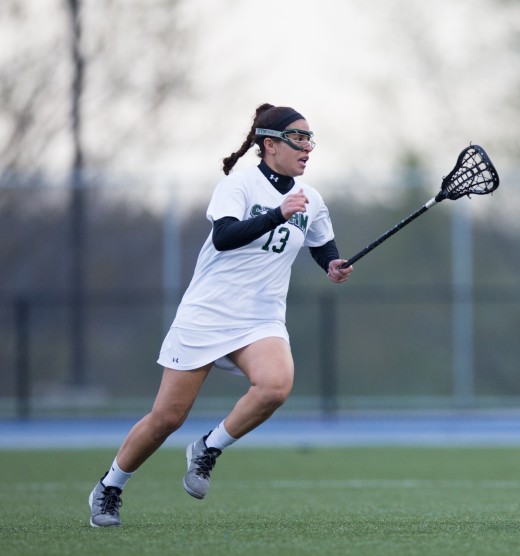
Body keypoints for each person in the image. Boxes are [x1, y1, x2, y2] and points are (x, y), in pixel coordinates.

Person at [88, 103, 353, 527]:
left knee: (275, 386)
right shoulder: (240, 184)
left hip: (261, 318)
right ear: (270, 145)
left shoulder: (312, 199)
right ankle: (110, 487)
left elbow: (322, 245)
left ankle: (209, 447)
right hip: (207, 315)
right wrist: (277, 213)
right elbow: (226, 236)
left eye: (310, 139)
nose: (307, 148)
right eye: (298, 139)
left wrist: (332, 265)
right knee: (167, 418)